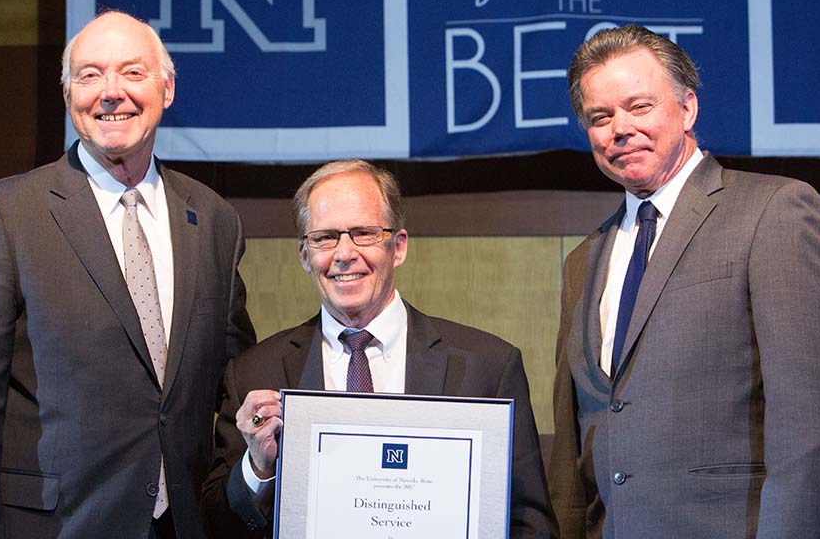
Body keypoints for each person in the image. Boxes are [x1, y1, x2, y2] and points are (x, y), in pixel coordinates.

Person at [0, 11, 256, 539]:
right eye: (88, 75)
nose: (110, 92)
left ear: (167, 89)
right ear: (67, 94)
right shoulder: (4, 214)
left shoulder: (213, 218)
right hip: (53, 526)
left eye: (132, 73)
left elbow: (229, 382)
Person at [549, 24, 820, 537]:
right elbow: (573, 443)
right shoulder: (585, 258)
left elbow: (810, 419)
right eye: (601, 117)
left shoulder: (774, 211)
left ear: (687, 108)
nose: (619, 129)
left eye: (639, 106)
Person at [201, 160, 557, 538]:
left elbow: (529, 523)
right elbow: (214, 524)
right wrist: (257, 469)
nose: (344, 253)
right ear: (305, 255)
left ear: (398, 246)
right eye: (324, 237)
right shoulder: (254, 373)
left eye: (364, 233)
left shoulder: (487, 368)